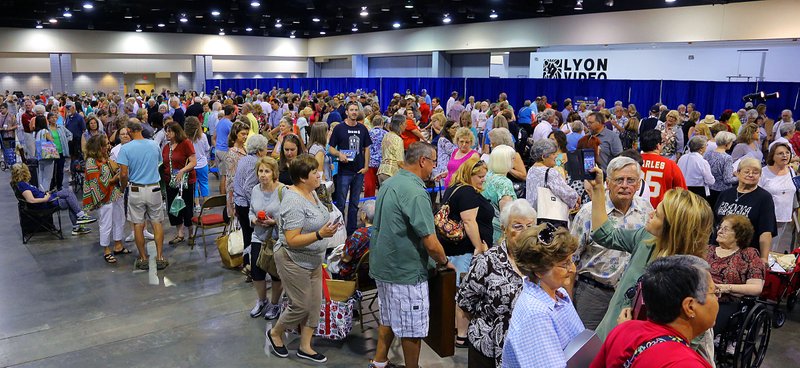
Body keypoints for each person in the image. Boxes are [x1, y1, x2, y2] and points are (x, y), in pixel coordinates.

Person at [587, 167, 713, 342]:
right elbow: (605, 234)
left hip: (638, 352)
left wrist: (632, 329)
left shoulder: (691, 276)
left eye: (658, 214)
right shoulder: (647, 238)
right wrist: (598, 189)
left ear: (673, 228)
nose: (651, 213)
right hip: (609, 336)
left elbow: (687, 340)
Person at [369, 142, 453, 368]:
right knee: (412, 328)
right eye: (433, 162)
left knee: (388, 317)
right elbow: (431, 242)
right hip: (405, 272)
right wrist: (445, 261)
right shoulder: (416, 191)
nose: (434, 168)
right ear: (422, 161)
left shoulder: (390, 182)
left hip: (383, 266)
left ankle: (379, 361)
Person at [267, 154, 338, 364]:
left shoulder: (312, 192)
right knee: (301, 305)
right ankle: (275, 333)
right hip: (293, 260)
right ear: (303, 178)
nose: (319, 174)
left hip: (314, 259)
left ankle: (305, 346)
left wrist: (326, 231)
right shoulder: (293, 201)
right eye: (314, 172)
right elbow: (291, 239)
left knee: (315, 304)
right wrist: (319, 235)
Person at [571, 157, 654, 330]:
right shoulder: (589, 212)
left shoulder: (647, 210)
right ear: (607, 183)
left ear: (639, 184)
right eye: (619, 180)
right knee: (588, 348)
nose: (625, 185)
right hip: (593, 294)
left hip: (630, 297)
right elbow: (571, 258)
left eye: (630, 180)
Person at [590, 255, 718, 368]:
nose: (717, 298)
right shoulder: (686, 363)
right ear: (690, 306)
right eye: (714, 293)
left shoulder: (624, 329)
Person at [456, 199, 536, 367]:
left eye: (530, 226)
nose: (525, 232)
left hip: (527, 346)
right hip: (488, 349)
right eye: (518, 226)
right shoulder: (487, 262)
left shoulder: (539, 262)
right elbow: (465, 302)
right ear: (505, 229)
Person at [501, 223, 584, 368]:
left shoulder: (560, 294)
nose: (572, 269)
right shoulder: (536, 314)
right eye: (565, 264)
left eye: (572, 260)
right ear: (539, 270)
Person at [439, 156, 493, 347]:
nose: (482, 180)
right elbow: (469, 222)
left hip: (454, 249)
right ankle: (461, 335)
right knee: (463, 293)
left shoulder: (453, 188)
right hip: (465, 250)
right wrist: (479, 247)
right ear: (469, 174)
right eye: (479, 176)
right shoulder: (468, 192)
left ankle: (456, 329)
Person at [118, 120, 167, 270]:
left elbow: (124, 173)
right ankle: (159, 257)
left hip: (136, 190)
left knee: (138, 225)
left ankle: (143, 258)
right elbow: (159, 163)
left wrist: (123, 186)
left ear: (129, 131)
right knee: (157, 223)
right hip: (154, 189)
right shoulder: (153, 145)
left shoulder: (125, 149)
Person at [707, 214, 764, 335]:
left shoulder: (749, 254)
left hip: (727, 302)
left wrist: (726, 288)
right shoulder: (707, 250)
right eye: (720, 227)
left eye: (725, 229)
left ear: (739, 235)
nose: (720, 231)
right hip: (701, 296)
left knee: (706, 323)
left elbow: (756, 288)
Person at [713, 157, 776, 261]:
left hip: (745, 255)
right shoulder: (725, 194)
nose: (750, 175)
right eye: (746, 171)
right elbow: (715, 223)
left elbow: (766, 232)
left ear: (760, 175)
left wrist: (764, 258)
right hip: (718, 252)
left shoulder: (764, 198)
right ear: (738, 173)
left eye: (755, 172)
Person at [11, 163, 94, 236]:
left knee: (69, 196)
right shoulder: (22, 185)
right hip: (47, 203)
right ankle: (80, 218)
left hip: (47, 198)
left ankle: (78, 223)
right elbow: (31, 200)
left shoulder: (22, 184)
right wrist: (45, 198)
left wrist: (46, 194)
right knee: (69, 198)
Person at [248, 156, 285, 320]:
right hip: (258, 236)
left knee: (276, 273)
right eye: (260, 171)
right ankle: (262, 300)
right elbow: (250, 210)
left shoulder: (282, 191)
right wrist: (253, 219)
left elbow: (290, 216)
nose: (263, 175)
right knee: (256, 272)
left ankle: (275, 304)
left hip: (277, 239)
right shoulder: (255, 189)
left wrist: (274, 222)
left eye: (267, 171)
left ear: (274, 173)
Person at [82, 134, 127, 263]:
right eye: (105, 144)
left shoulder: (106, 157)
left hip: (115, 193)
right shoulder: (91, 161)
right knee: (105, 222)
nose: (108, 146)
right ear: (98, 146)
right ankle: (106, 249)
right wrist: (114, 179)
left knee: (119, 218)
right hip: (103, 196)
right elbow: (94, 182)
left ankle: (118, 244)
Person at [328, 101, 372, 235]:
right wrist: (339, 154)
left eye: (355, 110)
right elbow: (330, 148)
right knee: (341, 203)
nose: (354, 112)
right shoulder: (339, 128)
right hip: (344, 172)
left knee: (354, 204)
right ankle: (339, 231)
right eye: (351, 110)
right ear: (346, 112)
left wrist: (366, 167)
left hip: (358, 171)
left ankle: (352, 231)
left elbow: (367, 148)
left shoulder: (363, 128)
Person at [161, 122, 197, 246]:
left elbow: (193, 162)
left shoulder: (186, 144)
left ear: (176, 132)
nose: (167, 133)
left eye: (169, 131)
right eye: (166, 131)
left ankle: (191, 233)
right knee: (174, 208)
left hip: (185, 182)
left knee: (187, 207)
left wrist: (182, 170)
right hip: (170, 182)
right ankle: (180, 233)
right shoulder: (166, 147)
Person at [759, 143, 795, 253]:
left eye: (787, 153)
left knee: (775, 248)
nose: (785, 155)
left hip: (784, 216)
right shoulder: (763, 172)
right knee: (763, 248)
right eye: (780, 153)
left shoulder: (791, 171)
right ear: (772, 156)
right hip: (766, 217)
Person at [525, 139, 578, 211]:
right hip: (549, 214)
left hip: (532, 212)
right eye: (553, 154)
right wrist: (576, 197)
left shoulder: (531, 170)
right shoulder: (550, 172)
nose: (556, 156)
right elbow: (567, 194)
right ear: (543, 157)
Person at [640, 129, 687, 208]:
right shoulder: (670, 165)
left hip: (635, 209)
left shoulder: (633, 162)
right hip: (660, 211)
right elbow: (682, 192)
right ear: (658, 145)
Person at [482, 145, 518, 244]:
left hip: (485, 225)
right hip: (498, 231)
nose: (515, 161)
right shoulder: (504, 183)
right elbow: (506, 213)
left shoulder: (486, 176)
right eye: (513, 159)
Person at [336, 199, 375, 280]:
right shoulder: (384, 231)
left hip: (356, 275)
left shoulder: (359, 235)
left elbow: (346, 259)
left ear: (364, 215)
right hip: (375, 274)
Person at [704, 131, 738, 207]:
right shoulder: (727, 158)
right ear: (727, 143)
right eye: (731, 142)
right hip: (722, 192)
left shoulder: (707, 153)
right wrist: (739, 177)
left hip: (708, 189)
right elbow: (727, 180)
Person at [677, 135, 715, 201]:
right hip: (697, 192)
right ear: (701, 148)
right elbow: (710, 181)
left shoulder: (682, 158)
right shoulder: (702, 161)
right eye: (706, 145)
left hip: (682, 189)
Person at [185, 117, 210, 213]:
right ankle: (206, 203)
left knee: (194, 185)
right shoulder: (202, 136)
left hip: (192, 165)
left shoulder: (186, 138)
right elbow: (207, 148)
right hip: (203, 164)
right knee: (204, 183)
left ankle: (197, 205)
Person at [225, 122, 250, 216]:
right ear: (236, 133)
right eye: (243, 134)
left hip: (245, 191)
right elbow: (231, 179)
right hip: (236, 194)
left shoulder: (245, 149)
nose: (245, 136)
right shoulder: (232, 153)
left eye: (247, 134)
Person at [377, 115, 406, 185]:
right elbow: (400, 162)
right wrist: (410, 171)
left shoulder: (386, 135)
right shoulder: (398, 139)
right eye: (405, 124)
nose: (406, 126)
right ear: (400, 124)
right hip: (391, 172)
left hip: (381, 170)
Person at [214, 105, 234, 195]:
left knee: (222, 175)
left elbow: (214, 137)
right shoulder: (229, 124)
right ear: (232, 112)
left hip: (217, 150)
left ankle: (221, 195)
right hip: (224, 151)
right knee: (225, 176)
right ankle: (223, 197)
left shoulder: (220, 122)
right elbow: (232, 138)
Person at [365, 116, 386, 197]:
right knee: (383, 187)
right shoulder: (386, 134)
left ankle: (368, 204)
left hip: (369, 163)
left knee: (369, 187)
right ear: (382, 123)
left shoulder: (368, 133)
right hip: (382, 164)